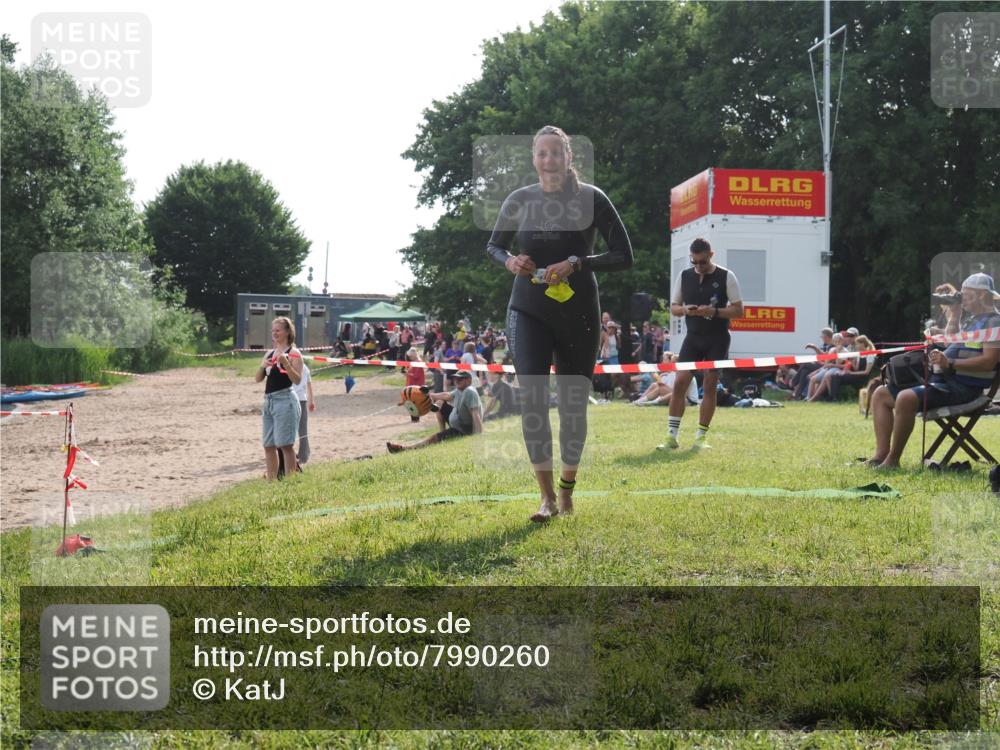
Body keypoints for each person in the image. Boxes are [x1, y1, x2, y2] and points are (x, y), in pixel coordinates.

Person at [486, 124, 633, 521]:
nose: (549, 160)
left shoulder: (591, 199)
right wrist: (510, 262)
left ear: (569, 157)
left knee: (572, 408)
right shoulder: (520, 199)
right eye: (541, 153)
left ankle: (567, 492)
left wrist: (577, 262)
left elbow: (624, 254)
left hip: (579, 311)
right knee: (532, 401)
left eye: (556, 152)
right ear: (534, 159)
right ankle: (546, 498)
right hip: (528, 309)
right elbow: (494, 246)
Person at [867, 273, 1000, 469]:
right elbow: (950, 341)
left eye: (966, 294)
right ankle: (880, 455)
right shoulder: (972, 320)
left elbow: (988, 362)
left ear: (981, 295)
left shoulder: (994, 323)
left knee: (905, 397)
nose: (961, 298)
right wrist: (954, 315)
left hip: (965, 388)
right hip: (944, 381)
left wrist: (951, 363)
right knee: (880, 394)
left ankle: (892, 461)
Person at [659, 238, 743, 450]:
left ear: (711, 255)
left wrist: (713, 312)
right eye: (694, 262)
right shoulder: (685, 276)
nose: (698, 266)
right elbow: (675, 307)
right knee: (680, 383)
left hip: (718, 337)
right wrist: (687, 310)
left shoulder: (726, 276)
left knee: (709, 385)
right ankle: (671, 436)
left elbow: (739, 310)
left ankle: (701, 437)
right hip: (693, 337)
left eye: (702, 262)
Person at [255, 317, 304, 480]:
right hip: (269, 401)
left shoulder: (294, 354)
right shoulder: (269, 353)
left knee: (285, 445)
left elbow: (297, 380)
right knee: (268, 445)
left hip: (285, 401)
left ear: (288, 332)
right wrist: (263, 365)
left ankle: (290, 482)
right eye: (273, 330)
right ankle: (271, 483)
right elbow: (257, 379)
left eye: (278, 330)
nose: (274, 333)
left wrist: (286, 364)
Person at [386, 370, 483, 452]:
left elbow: (475, 414)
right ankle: (443, 432)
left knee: (433, 438)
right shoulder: (460, 390)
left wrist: (478, 436)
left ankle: (405, 449)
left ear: (469, 380)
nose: (457, 380)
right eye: (455, 378)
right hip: (458, 422)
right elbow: (446, 395)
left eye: (460, 379)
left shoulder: (469, 392)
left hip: (462, 430)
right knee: (440, 403)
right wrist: (427, 395)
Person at [291, 361, 316, 468]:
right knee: (302, 429)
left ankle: (303, 455)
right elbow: (309, 386)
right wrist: (311, 400)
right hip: (302, 399)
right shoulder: (305, 367)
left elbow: (309, 385)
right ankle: (304, 454)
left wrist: (311, 401)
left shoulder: (291, 367)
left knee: (300, 429)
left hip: (294, 399)